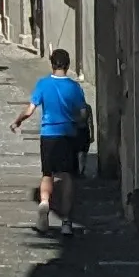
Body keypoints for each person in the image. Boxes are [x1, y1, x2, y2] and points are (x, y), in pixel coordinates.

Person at [15, 47, 92, 228]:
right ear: (68, 65)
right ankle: (66, 221)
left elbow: (30, 110)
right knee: (67, 177)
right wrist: (78, 123)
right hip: (67, 135)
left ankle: (44, 203)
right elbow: (83, 114)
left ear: (52, 64)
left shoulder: (43, 84)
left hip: (48, 135)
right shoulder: (74, 87)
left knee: (47, 174)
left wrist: (17, 121)